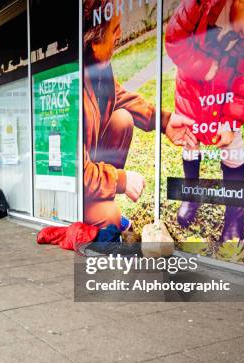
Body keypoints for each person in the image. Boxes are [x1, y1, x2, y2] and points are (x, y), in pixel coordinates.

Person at [165, 0, 244, 241]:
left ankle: (234, 215)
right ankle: (191, 196)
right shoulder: (200, 5)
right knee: (190, 141)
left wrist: (231, 122)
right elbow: (174, 41)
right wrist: (205, 68)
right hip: (192, 87)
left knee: (233, 149)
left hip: (228, 92)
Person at [83, 0, 196, 228]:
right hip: (75, 184)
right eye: (114, 29)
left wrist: (165, 121)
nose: (120, 34)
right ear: (94, 43)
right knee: (110, 218)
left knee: (122, 119)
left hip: (89, 172)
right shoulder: (74, 89)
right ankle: (98, 215)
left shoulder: (97, 67)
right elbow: (78, 171)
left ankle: (101, 201)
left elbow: (121, 97)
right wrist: (122, 180)